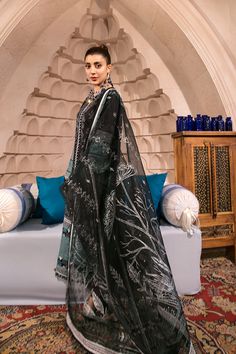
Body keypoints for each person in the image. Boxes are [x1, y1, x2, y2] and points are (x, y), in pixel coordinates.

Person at [55, 44, 194, 354]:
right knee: (99, 252)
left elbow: (101, 148)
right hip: (88, 185)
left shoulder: (110, 98)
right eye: (87, 65)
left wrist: (83, 183)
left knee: (109, 252)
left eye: (97, 65)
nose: (92, 70)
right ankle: (104, 305)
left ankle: (119, 310)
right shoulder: (90, 99)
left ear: (109, 69)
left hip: (101, 188)